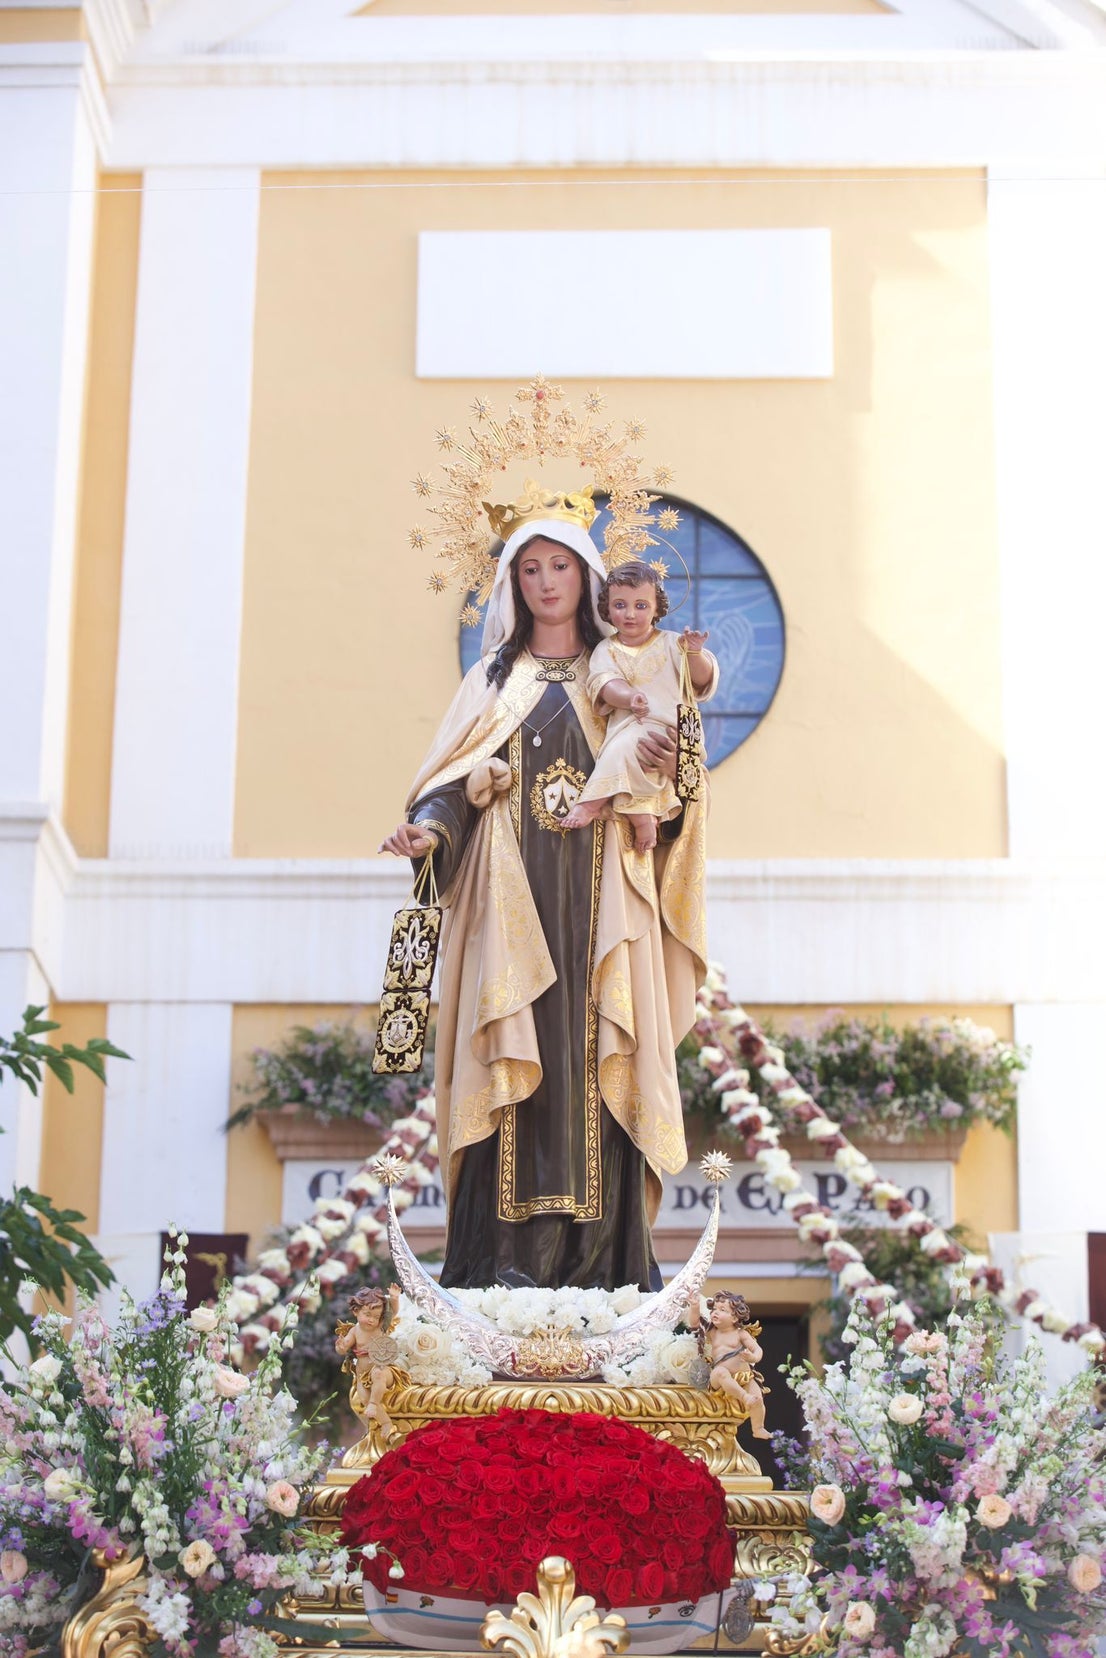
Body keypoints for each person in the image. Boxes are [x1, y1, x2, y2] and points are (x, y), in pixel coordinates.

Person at [381, 495, 717, 1294]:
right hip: (511, 912)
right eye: (528, 568)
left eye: (559, 565)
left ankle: (605, 1274)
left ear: (589, 577)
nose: (544, 582)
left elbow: (678, 782)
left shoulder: (627, 678)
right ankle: (499, 1270)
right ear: (511, 583)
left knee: (602, 1056)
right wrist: (430, 829)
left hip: (605, 913)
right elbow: (449, 783)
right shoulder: (495, 682)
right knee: (515, 1061)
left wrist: (668, 778)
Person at [562, 560, 715, 852]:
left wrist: (694, 653)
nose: (630, 614)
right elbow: (605, 684)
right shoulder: (607, 650)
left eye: (641, 606)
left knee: (623, 751)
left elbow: (701, 680)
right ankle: (643, 817)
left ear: (657, 607)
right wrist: (630, 698)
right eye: (620, 605)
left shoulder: (673, 643)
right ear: (607, 608)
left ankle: (590, 803)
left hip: (674, 730)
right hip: (634, 723)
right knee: (629, 753)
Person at [686, 1289, 770, 1437]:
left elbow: (758, 1350)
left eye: (722, 1310)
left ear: (735, 1318)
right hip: (719, 1377)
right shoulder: (712, 1331)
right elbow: (694, 1323)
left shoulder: (741, 1334)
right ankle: (744, 1397)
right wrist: (694, 1306)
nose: (715, 1312)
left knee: (758, 1399)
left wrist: (752, 1357)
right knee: (721, 1372)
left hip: (744, 1376)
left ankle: (758, 1428)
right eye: (714, 1309)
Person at [335, 1284, 405, 1437]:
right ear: (356, 1311)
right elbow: (343, 1348)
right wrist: (340, 1346)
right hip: (362, 1373)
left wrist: (394, 1298)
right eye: (367, 1315)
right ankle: (386, 1423)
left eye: (376, 1317)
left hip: (382, 1368)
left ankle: (374, 1404)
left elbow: (393, 1312)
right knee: (364, 1398)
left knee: (378, 1374)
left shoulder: (381, 1327)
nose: (372, 1320)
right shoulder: (354, 1331)